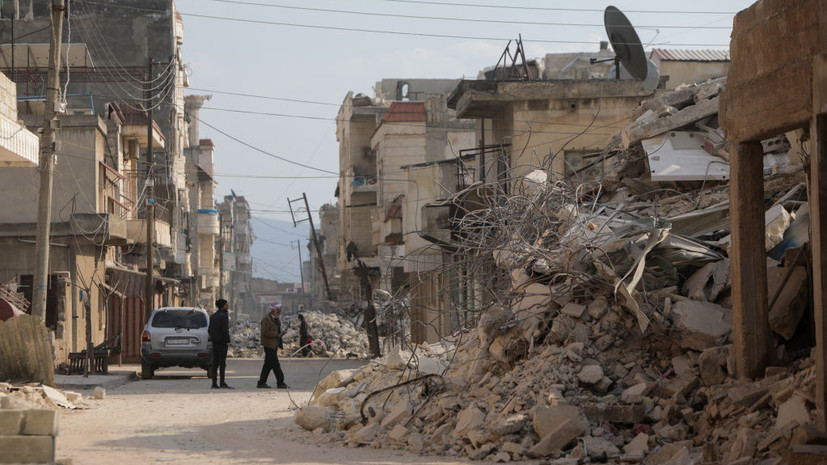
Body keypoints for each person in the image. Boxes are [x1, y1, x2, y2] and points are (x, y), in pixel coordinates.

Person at [257, 302, 288, 389]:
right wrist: (276, 334)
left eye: (280, 309)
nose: (280, 311)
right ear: (274, 310)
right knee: (275, 364)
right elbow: (264, 332)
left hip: (274, 345)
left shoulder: (276, 319)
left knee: (267, 365)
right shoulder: (267, 319)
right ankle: (280, 382)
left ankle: (261, 382)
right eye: (278, 309)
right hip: (269, 345)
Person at [208, 299, 233, 389]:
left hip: (215, 342)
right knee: (222, 364)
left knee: (215, 363)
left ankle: (214, 383)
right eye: (226, 305)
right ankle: (222, 383)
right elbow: (224, 330)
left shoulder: (213, 316)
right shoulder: (223, 316)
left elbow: (209, 330)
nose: (227, 307)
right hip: (222, 343)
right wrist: (227, 340)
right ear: (222, 306)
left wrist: (214, 338)